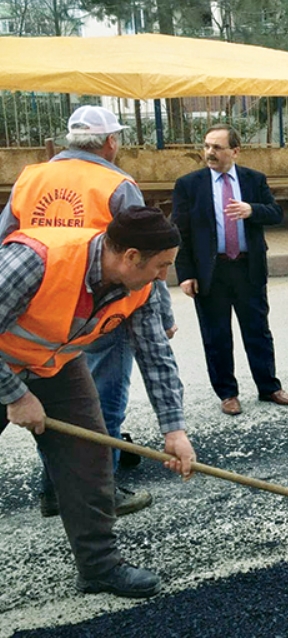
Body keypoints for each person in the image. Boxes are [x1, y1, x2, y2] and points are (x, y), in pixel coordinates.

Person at [0, 206, 197, 598]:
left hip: (54, 365)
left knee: (89, 459)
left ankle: (99, 568)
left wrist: (173, 429)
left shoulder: (142, 285)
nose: (164, 276)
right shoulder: (34, 260)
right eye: (161, 266)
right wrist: (15, 394)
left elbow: (155, 354)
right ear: (130, 258)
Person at [0, 105, 176, 518]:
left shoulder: (32, 177)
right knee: (100, 407)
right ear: (111, 142)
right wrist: (161, 315)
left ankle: (58, 493)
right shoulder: (116, 182)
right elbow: (149, 258)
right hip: (104, 302)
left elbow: (5, 235)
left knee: (67, 410)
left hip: (35, 303)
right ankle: (100, 489)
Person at [171, 124, 288, 415]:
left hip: (247, 268)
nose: (210, 152)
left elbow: (276, 213)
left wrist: (252, 210)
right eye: (207, 146)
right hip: (210, 271)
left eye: (217, 147)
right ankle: (227, 393)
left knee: (258, 330)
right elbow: (182, 233)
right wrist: (186, 274)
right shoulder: (189, 185)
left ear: (235, 151)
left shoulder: (254, 180)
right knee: (216, 336)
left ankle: (269, 387)